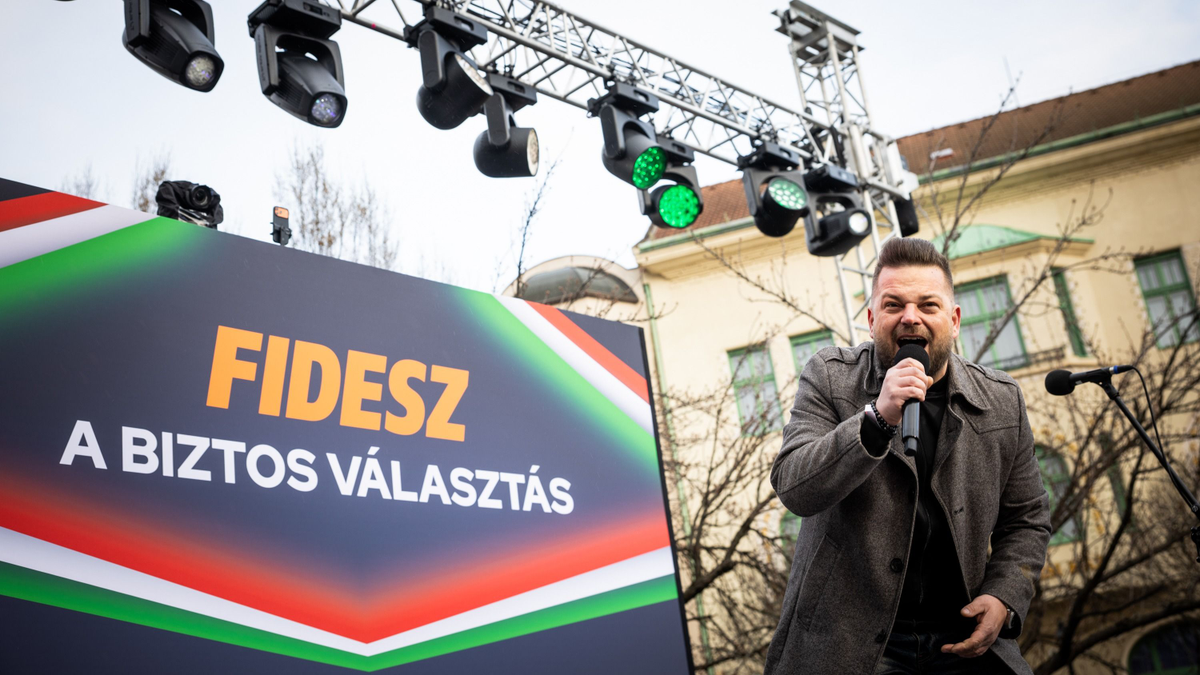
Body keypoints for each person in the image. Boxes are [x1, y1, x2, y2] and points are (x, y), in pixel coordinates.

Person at [762, 238, 1051, 675]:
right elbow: (794, 486)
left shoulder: (1001, 400)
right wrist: (877, 418)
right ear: (872, 319)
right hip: (851, 648)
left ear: (954, 320)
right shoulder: (830, 377)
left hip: (963, 639)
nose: (910, 317)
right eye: (893, 305)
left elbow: (1027, 518)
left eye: (928, 305)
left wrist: (1005, 595)